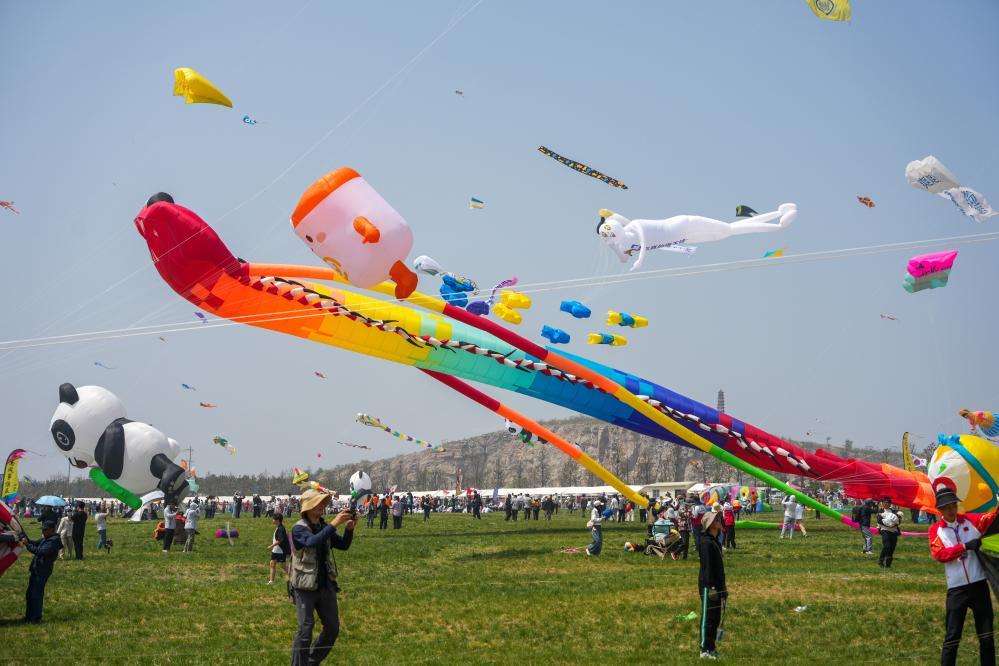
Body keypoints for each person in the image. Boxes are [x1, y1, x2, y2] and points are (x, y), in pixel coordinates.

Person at [930, 485, 997, 666]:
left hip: (979, 585)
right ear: (940, 510)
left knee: (986, 635)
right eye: (946, 508)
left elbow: (991, 518)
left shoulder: (971, 520)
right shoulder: (936, 530)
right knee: (952, 637)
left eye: (953, 505)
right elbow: (939, 554)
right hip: (956, 590)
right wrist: (964, 547)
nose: (951, 510)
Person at [290, 489, 355, 665]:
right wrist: (334, 524)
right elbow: (311, 542)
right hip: (304, 586)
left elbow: (343, 545)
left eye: (323, 503)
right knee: (305, 631)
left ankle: (311, 661)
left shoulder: (324, 526)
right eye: (318, 503)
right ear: (308, 507)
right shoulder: (298, 528)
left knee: (333, 628)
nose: (322, 506)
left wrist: (349, 529)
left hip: (326, 585)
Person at [18, 520, 63, 623]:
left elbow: (40, 551)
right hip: (37, 569)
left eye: (45, 530)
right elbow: (34, 543)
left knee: (36, 595)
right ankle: (29, 617)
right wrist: (24, 537)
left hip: (42, 570)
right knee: (30, 594)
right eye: (42, 529)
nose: (43, 531)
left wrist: (27, 545)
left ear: (52, 530)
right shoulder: (47, 538)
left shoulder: (53, 541)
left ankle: (35, 618)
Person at [698, 510, 727, 660]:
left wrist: (723, 588)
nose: (719, 521)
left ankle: (711, 648)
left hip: (717, 585)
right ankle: (704, 650)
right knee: (708, 618)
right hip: (709, 586)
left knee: (715, 618)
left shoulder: (715, 542)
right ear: (709, 525)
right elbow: (707, 567)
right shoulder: (706, 543)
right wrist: (712, 587)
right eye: (716, 519)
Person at [877, 500, 901, 568]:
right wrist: (889, 525)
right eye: (884, 502)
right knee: (887, 546)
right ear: (882, 503)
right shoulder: (881, 511)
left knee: (892, 547)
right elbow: (879, 520)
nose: (886, 504)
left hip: (894, 531)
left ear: (890, 504)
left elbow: (898, 521)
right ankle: (881, 560)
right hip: (885, 531)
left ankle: (888, 564)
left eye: (887, 503)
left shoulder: (894, 511)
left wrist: (893, 525)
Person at [268, 513, 289, 585]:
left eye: (273, 519)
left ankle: (294, 577)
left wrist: (271, 546)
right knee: (272, 564)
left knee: (283, 566)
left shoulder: (281, 529)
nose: (272, 520)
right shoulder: (278, 527)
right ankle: (271, 581)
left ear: (277, 520)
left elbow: (280, 540)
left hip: (280, 550)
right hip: (276, 550)